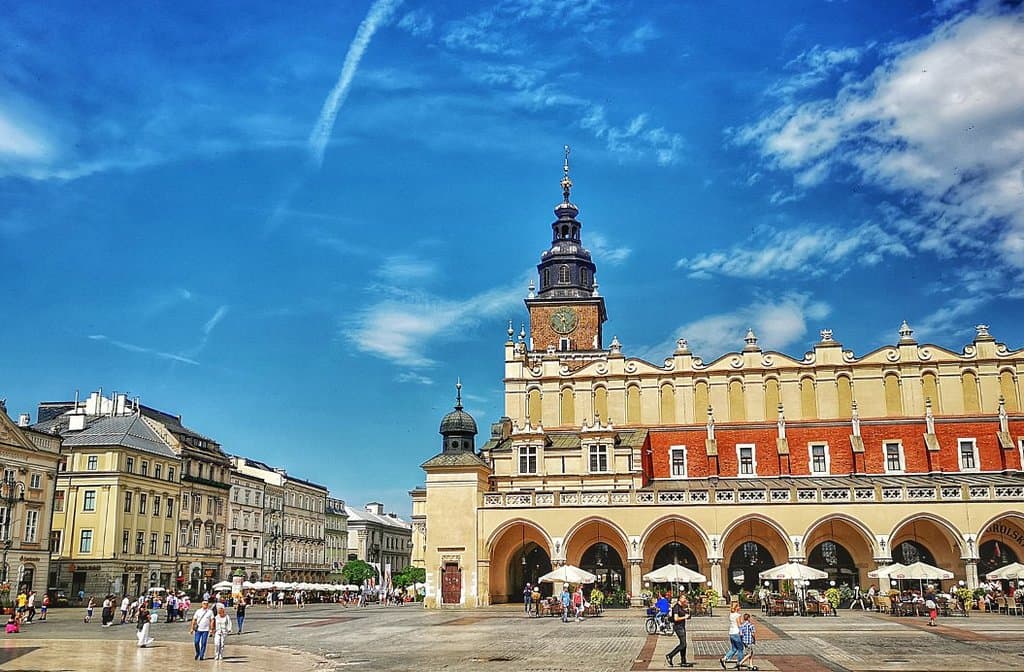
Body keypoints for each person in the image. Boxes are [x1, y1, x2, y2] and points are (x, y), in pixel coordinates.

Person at [666, 595, 694, 667]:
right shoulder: (676, 607)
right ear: (680, 599)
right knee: (683, 644)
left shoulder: (681, 607)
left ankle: (683, 661)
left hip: (682, 627)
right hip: (678, 627)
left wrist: (688, 613)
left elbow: (684, 615)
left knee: (683, 644)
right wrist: (685, 617)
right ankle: (670, 655)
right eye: (684, 598)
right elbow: (676, 618)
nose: (685, 599)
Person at [720, 601, 744, 668]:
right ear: (736, 608)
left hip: (731, 633)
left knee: (734, 649)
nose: (740, 607)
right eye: (739, 606)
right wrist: (742, 631)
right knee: (740, 649)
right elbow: (739, 625)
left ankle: (725, 658)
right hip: (737, 632)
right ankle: (740, 662)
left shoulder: (731, 614)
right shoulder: (738, 615)